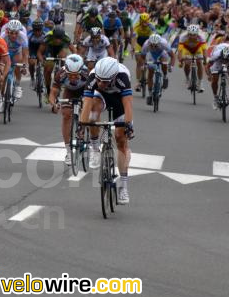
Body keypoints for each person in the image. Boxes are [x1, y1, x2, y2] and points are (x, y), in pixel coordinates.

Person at [80, 57, 135, 204]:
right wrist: (82, 125)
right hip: (101, 98)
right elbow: (87, 103)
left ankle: (123, 186)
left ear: (113, 77)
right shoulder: (93, 77)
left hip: (119, 100)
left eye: (104, 81)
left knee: (121, 139)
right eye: (98, 80)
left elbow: (128, 104)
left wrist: (128, 125)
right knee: (93, 111)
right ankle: (95, 147)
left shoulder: (122, 77)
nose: (100, 83)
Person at [49, 54, 90, 165]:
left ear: (81, 71)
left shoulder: (88, 74)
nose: (72, 78)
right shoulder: (60, 74)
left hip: (85, 91)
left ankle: (83, 130)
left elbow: (92, 96)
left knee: (86, 109)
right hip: (69, 91)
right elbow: (53, 93)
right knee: (66, 115)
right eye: (70, 75)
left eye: (76, 75)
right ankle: (68, 151)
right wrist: (53, 104)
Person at [139, 33, 175, 105]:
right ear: (149, 42)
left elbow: (173, 56)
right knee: (150, 72)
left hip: (162, 53)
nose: (154, 46)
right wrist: (143, 65)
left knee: (164, 63)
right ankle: (150, 94)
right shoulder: (146, 45)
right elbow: (142, 57)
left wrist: (171, 66)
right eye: (152, 45)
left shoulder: (164, 44)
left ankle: (165, 76)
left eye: (155, 45)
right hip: (151, 55)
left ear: (159, 43)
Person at [0, 19, 27, 100]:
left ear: (19, 32)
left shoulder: (23, 36)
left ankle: (17, 85)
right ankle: (1, 95)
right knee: (4, 71)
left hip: (17, 51)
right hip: (5, 52)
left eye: (16, 33)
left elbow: (25, 53)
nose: (14, 35)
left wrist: (24, 66)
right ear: (7, 31)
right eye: (11, 33)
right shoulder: (3, 36)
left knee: (18, 65)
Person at [177, 24, 208, 92]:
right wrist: (181, 61)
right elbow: (179, 51)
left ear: (197, 34)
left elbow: (204, 51)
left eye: (194, 35)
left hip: (197, 49)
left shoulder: (202, 37)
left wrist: (205, 61)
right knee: (187, 63)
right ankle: (187, 78)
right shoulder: (183, 37)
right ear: (188, 33)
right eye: (190, 34)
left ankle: (200, 82)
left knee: (199, 62)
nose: (192, 36)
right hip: (187, 49)